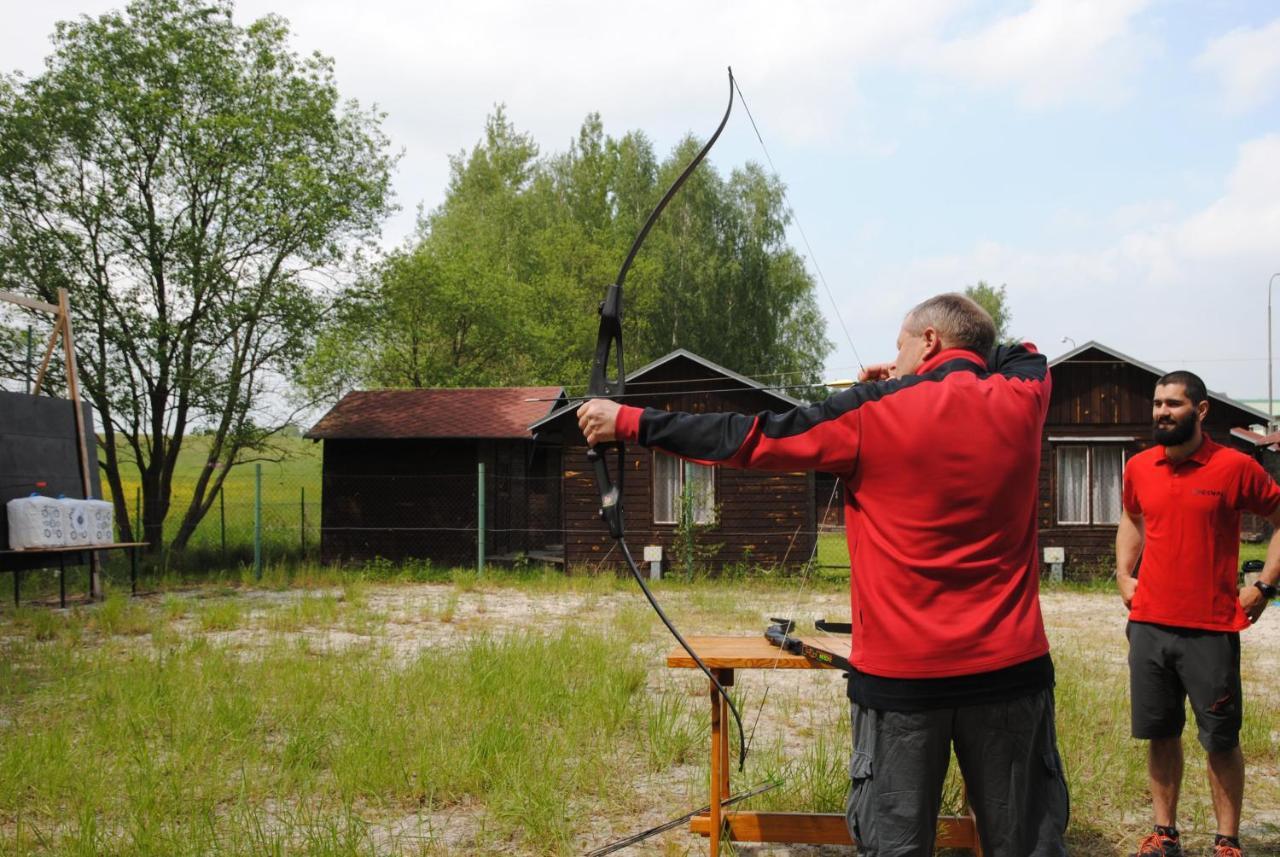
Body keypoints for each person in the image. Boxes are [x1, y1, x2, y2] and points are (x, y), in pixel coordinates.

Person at [578, 293, 1068, 857]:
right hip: (1010, 672)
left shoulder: (870, 410)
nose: (896, 357)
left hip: (904, 683)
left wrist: (630, 421)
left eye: (903, 344)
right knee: (1026, 844)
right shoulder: (1023, 396)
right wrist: (936, 368)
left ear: (930, 341)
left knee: (897, 846)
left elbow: (750, 436)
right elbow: (1021, 352)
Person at [1116, 371, 1280, 857]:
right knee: (1160, 734)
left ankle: (1227, 842)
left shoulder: (1235, 467)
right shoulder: (1140, 467)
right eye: (1157, 404)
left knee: (1220, 740)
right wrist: (1124, 575)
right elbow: (1132, 516)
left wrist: (1265, 586)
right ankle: (1164, 834)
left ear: (1201, 411)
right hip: (1148, 625)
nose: (1162, 412)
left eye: (1173, 404)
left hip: (1210, 630)